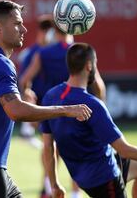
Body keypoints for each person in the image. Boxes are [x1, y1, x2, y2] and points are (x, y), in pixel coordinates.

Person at [0, 0, 93, 198]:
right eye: (17, 23)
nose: (23, 29)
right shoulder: (0, 64)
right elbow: (15, 111)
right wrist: (66, 110)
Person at [40, 42, 137, 198]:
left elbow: (48, 147)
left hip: (82, 177)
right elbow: (124, 149)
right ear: (89, 66)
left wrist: (54, 184)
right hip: (104, 177)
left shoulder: (50, 96)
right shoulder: (92, 104)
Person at [19, 24, 86, 198]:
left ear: (54, 32)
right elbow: (98, 85)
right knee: (77, 151)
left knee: (49, 148)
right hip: (77, 107)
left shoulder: (44, 53)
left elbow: (25, 79)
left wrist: (27, 92)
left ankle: (49, 188)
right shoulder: (81, 53)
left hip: (51, 107)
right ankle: (75, 194)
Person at [16, 14, 53, 149]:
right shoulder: (32, 53)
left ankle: (26, 133)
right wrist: (26, 96)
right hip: (39, 101)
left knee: (50, 143)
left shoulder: (54, 50)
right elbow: (24, 79)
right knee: (48, 142)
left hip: (52, 100)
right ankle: (26, 132)